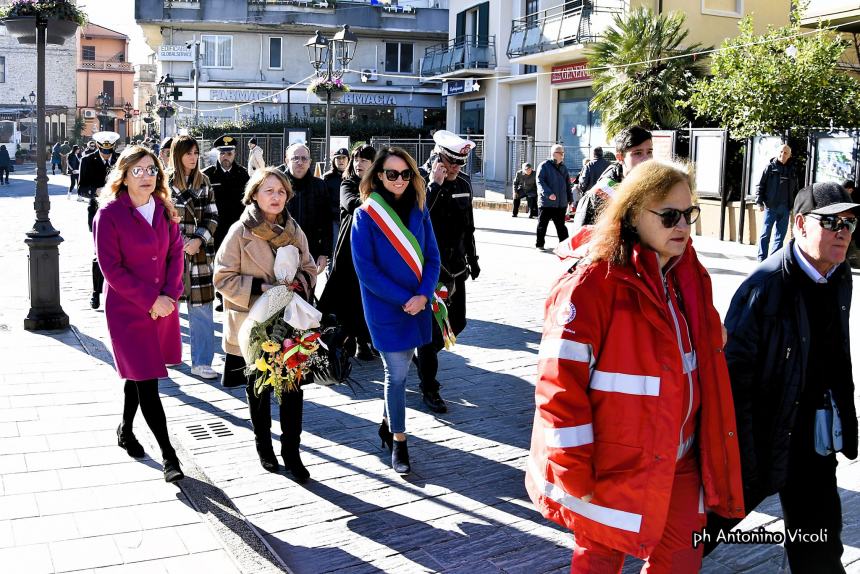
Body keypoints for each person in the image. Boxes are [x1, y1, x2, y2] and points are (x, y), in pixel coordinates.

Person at [527, 159, 745, 572]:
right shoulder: (592, 282)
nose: (682, 225)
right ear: (633, 211)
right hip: (610, 465)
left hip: (679, 460)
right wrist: (574, 471)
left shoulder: (686, 274)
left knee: (680, 561)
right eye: (669, 215)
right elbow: (558, 384)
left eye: (689, 214)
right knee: (600, 560)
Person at [705, 182, 858, 572]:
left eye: (850, 223)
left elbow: (838, 352)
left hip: (812, 440)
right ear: (800, 223)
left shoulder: (840, 276)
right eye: (831, 222)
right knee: (699, 536)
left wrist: (847, 418)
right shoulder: (765, 286)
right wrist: (738, 450)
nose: (843, 232)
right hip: (759, 435)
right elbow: (732, 376)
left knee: (821, 548)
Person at [213, 167, 318, 481]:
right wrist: (260, 287)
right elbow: (222, 277)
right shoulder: (239, 231)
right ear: (254, 195)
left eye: (281, 191)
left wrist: (297, 282)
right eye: (269, 191)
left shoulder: (294, 228)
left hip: (289, 323)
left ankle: (292, 452)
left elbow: (310, 268)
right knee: (258, 390)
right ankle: (264, 446)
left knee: (292, 389)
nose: (276, 197)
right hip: (253, 325)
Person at [92, 145, 185, 483]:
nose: (146, 176)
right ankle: (169, 456)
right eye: (138, 170)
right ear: (124, 175)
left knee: (139, 374)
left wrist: (170, 295)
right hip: (127, 310)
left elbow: (176, 253)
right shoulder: (109, 214)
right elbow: (111, 269)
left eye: (151, 170)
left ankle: (126, 430)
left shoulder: (164, 209)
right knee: (147, 381)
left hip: (162, 306)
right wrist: (151, 299)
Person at [352, 147, 441, 475]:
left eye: (406, 174)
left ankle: (389, 421)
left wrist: (423, 294)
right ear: (378, 175)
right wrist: (407, 298)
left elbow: (433, 257)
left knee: (404, 373)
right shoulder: (366, 215)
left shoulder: (420, 208)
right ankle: (400, 441)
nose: (400, 180)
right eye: (392, 174)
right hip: (386, 308)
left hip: (418, 305)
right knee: (398, 373)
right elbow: (367, 271)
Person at [416, 130, 480, 414]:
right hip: (430, 271)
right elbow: (416, 221)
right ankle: (429, 387)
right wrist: (434, 185)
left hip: (456, 268)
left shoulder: (464, 183)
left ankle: (424, 355)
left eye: (459, 164)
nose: (454, 168)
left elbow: (469, 225)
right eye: (449, 162)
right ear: (437, 157)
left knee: (458, 323)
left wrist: (473, 257)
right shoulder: (419, 181)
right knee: (431, 333)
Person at [318, 144, 378, 361]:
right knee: (346, 297)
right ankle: (345, 342)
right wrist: (379, 200)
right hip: (349, 249)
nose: (359, 164)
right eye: (356, 160)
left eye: (364, 160)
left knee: (367, 296)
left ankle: (365, 341)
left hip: (373, 250)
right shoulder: (348, 182)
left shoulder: (380, 184)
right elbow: (352, 204)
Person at [168, 135, 219, 380]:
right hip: (170, 254)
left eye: (196, 153)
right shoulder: (164, 182)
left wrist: (198, 239)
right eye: (188, 153)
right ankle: (167, 355)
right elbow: (158, 220)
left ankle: (202, 361)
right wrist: (178, 242)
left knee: (201, 309)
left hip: (199, 254)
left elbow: (213, 216)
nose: (193, 157)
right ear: (177, 154)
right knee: (167, 306)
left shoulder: (204, 181)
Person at [202, 135, 250, 317]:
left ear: (234, 153)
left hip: (236, 227)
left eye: (229, 153)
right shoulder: (208, 174)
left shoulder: (242, 174)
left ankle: (231, 297)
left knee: (235, 263)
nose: (226, 157)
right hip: (216, 227)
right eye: (222, 153)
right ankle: (220, 296)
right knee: (217, 262)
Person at [573, 126, 654, 230]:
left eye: (649, 152)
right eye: (638, 153)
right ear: (620, 157)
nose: (646, 159)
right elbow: (580, 240)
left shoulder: (658, 187)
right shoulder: (599, 195)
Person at [277, 143, 332, 278]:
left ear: (310, 162)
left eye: (304, 159)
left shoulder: (320, 186)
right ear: (286, 160)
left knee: (307, 295)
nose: (300, 162)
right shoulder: (277, 185)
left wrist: (324, 253)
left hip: (311, 252)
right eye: (295, 158)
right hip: (280, 251)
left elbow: (326, 222)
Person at [79, 131, 120, 309]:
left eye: (109, 151)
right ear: (97, 146)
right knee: (99, 254)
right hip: (98, 213)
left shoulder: (120, 160)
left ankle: (118, 291)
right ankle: (96, 292)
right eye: (104, 151)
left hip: (120, 213)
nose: (106, 154)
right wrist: (95, 191)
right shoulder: (87, 160)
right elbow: (81, 189)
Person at [755, 144, 798, 261]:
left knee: (780, 236)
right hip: (771, 206)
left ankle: (773, 260)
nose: (782, 155)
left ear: (790, 155)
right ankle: (761, 259)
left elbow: (795, 190)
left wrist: (795, 206)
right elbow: (760, 185)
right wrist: (759, 202)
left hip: (785, 208)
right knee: (765, 234)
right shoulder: (769, 167)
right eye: (780, 152)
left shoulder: (792, 170)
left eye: (785, 153)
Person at [535, 144, 572, 250]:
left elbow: (567, 184)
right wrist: (548, 194)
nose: (563, 155)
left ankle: (565, 246)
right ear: (554, 154)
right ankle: (539, 244)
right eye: (561, 153)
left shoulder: (563, 167)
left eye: (563, 153)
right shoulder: (544, 166)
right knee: (542, 225)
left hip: (561, 203)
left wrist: (570, 199)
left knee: (561, 227)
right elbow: (540, 182)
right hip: (547, 202)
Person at [323, 147, 349, 273]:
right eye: (338, 158)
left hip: (349, 220)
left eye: (344, 158)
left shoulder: (352, 178)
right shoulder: (327, 178)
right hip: (332, 221)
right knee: (333, 253)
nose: (341, 161)